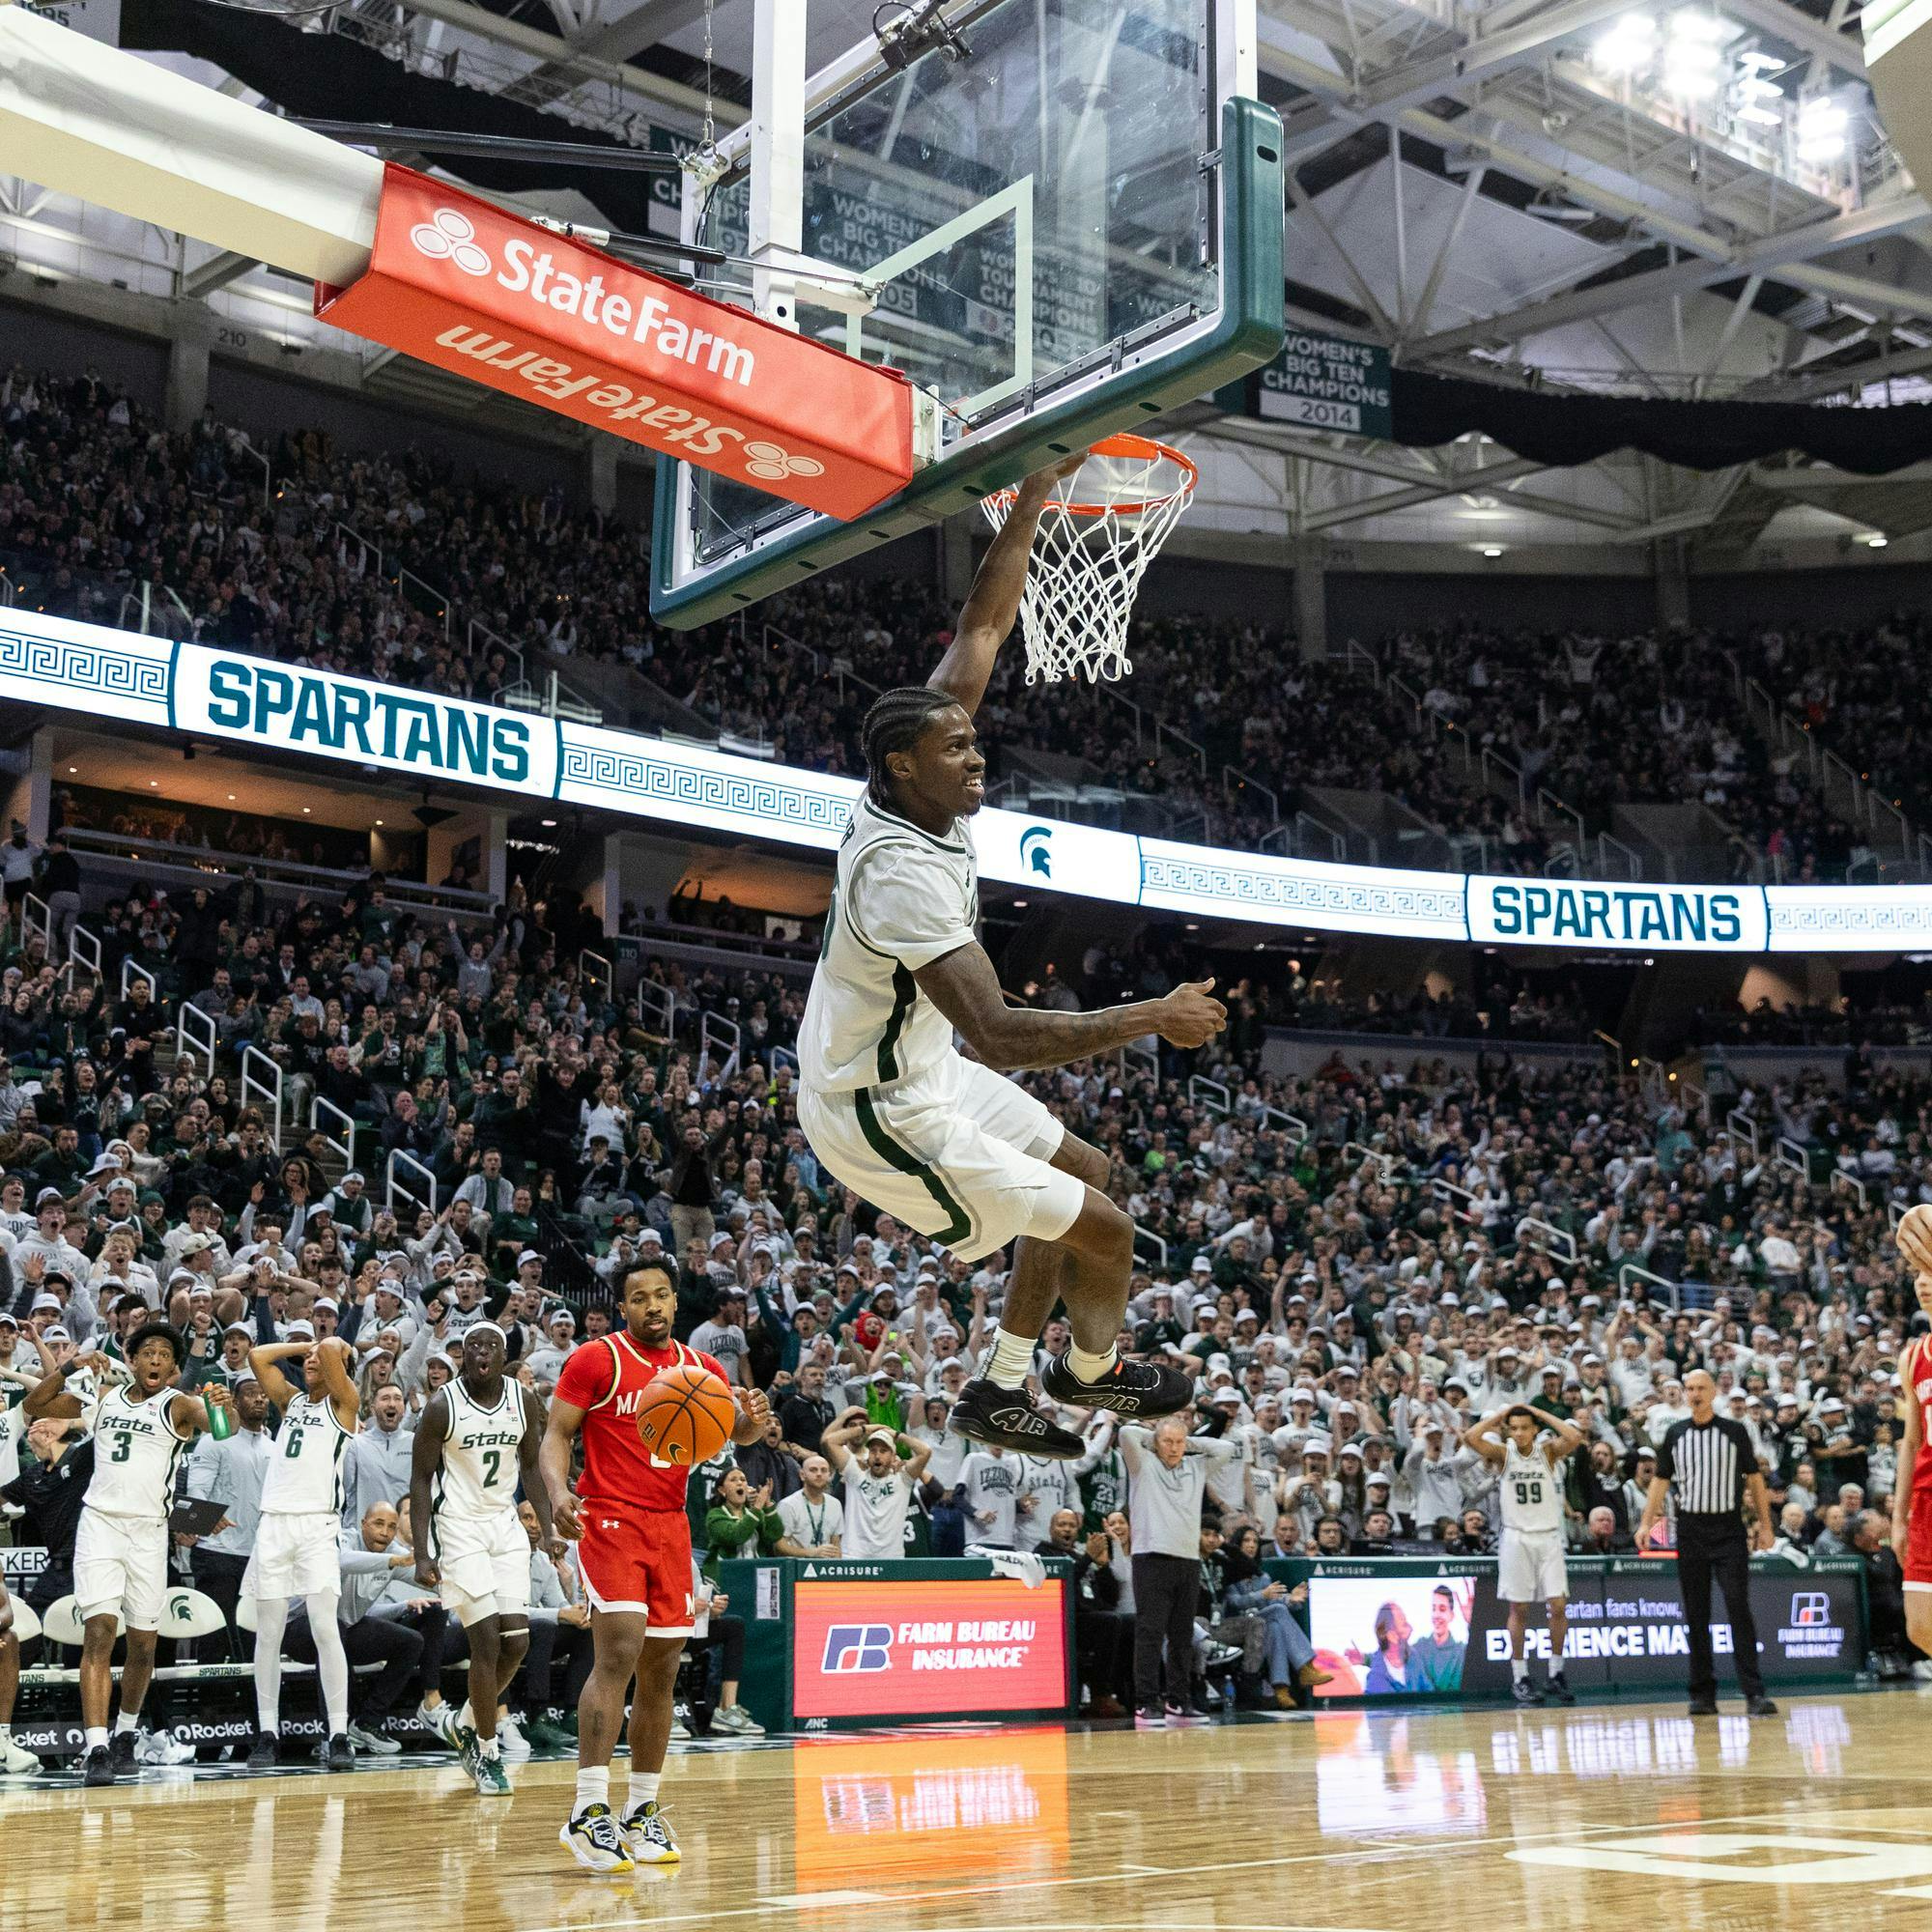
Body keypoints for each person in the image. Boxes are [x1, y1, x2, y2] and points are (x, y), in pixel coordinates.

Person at [794, 453, 1222, 1458]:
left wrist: (1033, 493)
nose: (975, 752)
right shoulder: (900, 874)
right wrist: (1150, 1014)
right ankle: (1086, 1372)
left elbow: (981, 628)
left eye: (971, 740)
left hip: (917, 1065)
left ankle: (999, 1387)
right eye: (958, 750)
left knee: (1083, 1164)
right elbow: (997, 1034)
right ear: (905, 769)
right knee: (1105, 1228)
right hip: (876, 1110)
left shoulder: (914, 763)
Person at [540, 1264, 768, 1873]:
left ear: (674, 1300)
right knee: (618, 1652)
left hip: (671, 1523)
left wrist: (750, 1418)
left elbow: (732, 1435)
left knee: (664, 1669)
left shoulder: (702, 1369)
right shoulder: (596, 1358)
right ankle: (588, 1812)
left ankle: (641, 1811)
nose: (653, 1306)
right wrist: (560, 1494)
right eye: (639, 1298)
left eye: (661, 1295)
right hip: (609, 1516)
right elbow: (557, 1434)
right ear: (623, 1309)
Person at [23, 1323, 234, 1783]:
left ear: (173, 1367)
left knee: (143, 1644)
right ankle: (97, 1747)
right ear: (132, 1361)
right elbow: (34, 1405)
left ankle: (125, 1732)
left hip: (149, 1534)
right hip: (99, 1525)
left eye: (164, 1353)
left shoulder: (176, 1404)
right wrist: (71, 1366)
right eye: (147, 1352)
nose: (155, 1359)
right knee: (99, 1632)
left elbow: (222, 1430)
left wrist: (222, 1406)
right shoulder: (105, 1401)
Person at [410, 1321, 553, 1795]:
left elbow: (530, 1467)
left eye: (492, 1344)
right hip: (459, 1528)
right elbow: (421, 1479)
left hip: (505, 1525)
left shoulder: (524, 1399)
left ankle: (464, 1722)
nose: (483, 1352)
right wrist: (422, 1552)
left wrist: (548, 1531)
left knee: (517, 1642)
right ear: (462, 1355)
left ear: (503, 1351)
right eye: (474, 1345)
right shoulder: (440, 1405)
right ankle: (486, 1751)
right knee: (487, 1641)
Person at [243, 1333, 362, 1770]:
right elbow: (257, 1356)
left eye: (322, 1357)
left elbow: (333, 1351)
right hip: (274, 1521)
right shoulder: (292, 1402)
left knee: (324, 1628)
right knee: (269, 1634)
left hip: (317, 1524)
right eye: (308, 1357)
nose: (314, 1359)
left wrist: (326, 1349)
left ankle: (338, 1733)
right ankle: (268, 1732)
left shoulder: (345, 1404)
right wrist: (302, 1347)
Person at [1636, 1367, 1776, 1718]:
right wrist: (1645, 1522)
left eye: (1701, 1387)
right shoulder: (1674, 1433)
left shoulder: (1734, 1431)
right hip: (1691, 1529)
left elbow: (1755, 1480)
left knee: (1738, 1609)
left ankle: (1754, 1693)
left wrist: (1765, 1524)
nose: (1694, 1393)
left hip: (1728, 1528)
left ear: (1714, 1392)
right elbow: (1660, 1482)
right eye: (1689, 1388)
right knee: (1696, 1614)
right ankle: (1702, 1694)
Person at [1120, 1416, 1240, 1727]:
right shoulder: (1143, 1465)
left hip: (1188, 1560)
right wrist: (1157, 1435)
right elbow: (1126, 1432)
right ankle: (1146, 1702)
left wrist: (1189, 1443)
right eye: (1168, 1442)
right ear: (1156, 1442)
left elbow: (1226, 1448)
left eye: (1179, 1443)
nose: (1174, 1448)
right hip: (1150, 1558)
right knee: (1150, 1633)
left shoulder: (1196, 1466)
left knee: (1182, 1636)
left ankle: (1178, 1700)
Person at [1467, 1404, 1585, 1707]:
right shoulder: (1504, 1455)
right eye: (1514, 1428)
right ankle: (1520, 1677)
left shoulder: (1546, 1452)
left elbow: (1573, 1436)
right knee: (1519, 1610)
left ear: (1534, 1429)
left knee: (1558, 1605)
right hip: (1516, 1538)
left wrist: (1537, 1411)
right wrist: (1501, 1415)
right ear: (1509, 1431)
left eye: (1525, 1427)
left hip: (1548, 1537)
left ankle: (1556, 1673)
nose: (1519, 1433)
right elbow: (1471, 1437)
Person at [1887, 1227, 1932, 1665]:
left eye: (1930, 1270)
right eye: (1916, 1272)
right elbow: (1910, 1442)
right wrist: (1898, 1519)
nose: (1921, 1281)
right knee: (1919, 1627)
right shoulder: (1913, 1357)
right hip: (1926, 1502)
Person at [822, 1406, 932, 1559]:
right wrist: (866, 1429)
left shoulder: (903, 1479)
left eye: (883, 1451)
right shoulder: (855, 1475)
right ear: (868, 1455)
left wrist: (897, 1435)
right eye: (873, 1450)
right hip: (855, 1556)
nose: (877, 1456)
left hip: (891, 1559)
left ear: (893, 1455)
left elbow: (925, 1451)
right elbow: (830, 1441)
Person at [1406, 1581, 1469, 1693]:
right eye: (1433, 1609)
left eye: (1442, 1609)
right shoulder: (1418, 1648)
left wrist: (1472, 1623)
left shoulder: (1461, 1651)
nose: (1436, 1615)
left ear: (1452, 1615)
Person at [775, 1454, 843, 1557]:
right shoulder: (788, 1505)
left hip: (825, 1568)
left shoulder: (835, 1504)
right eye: (813, 1470)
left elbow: (836, 1544)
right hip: (797, 1567)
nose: (819, 1474)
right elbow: (778, 1545)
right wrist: (810, 1553)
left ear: (829, 1475)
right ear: (802, 1475)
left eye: (824, 1470)